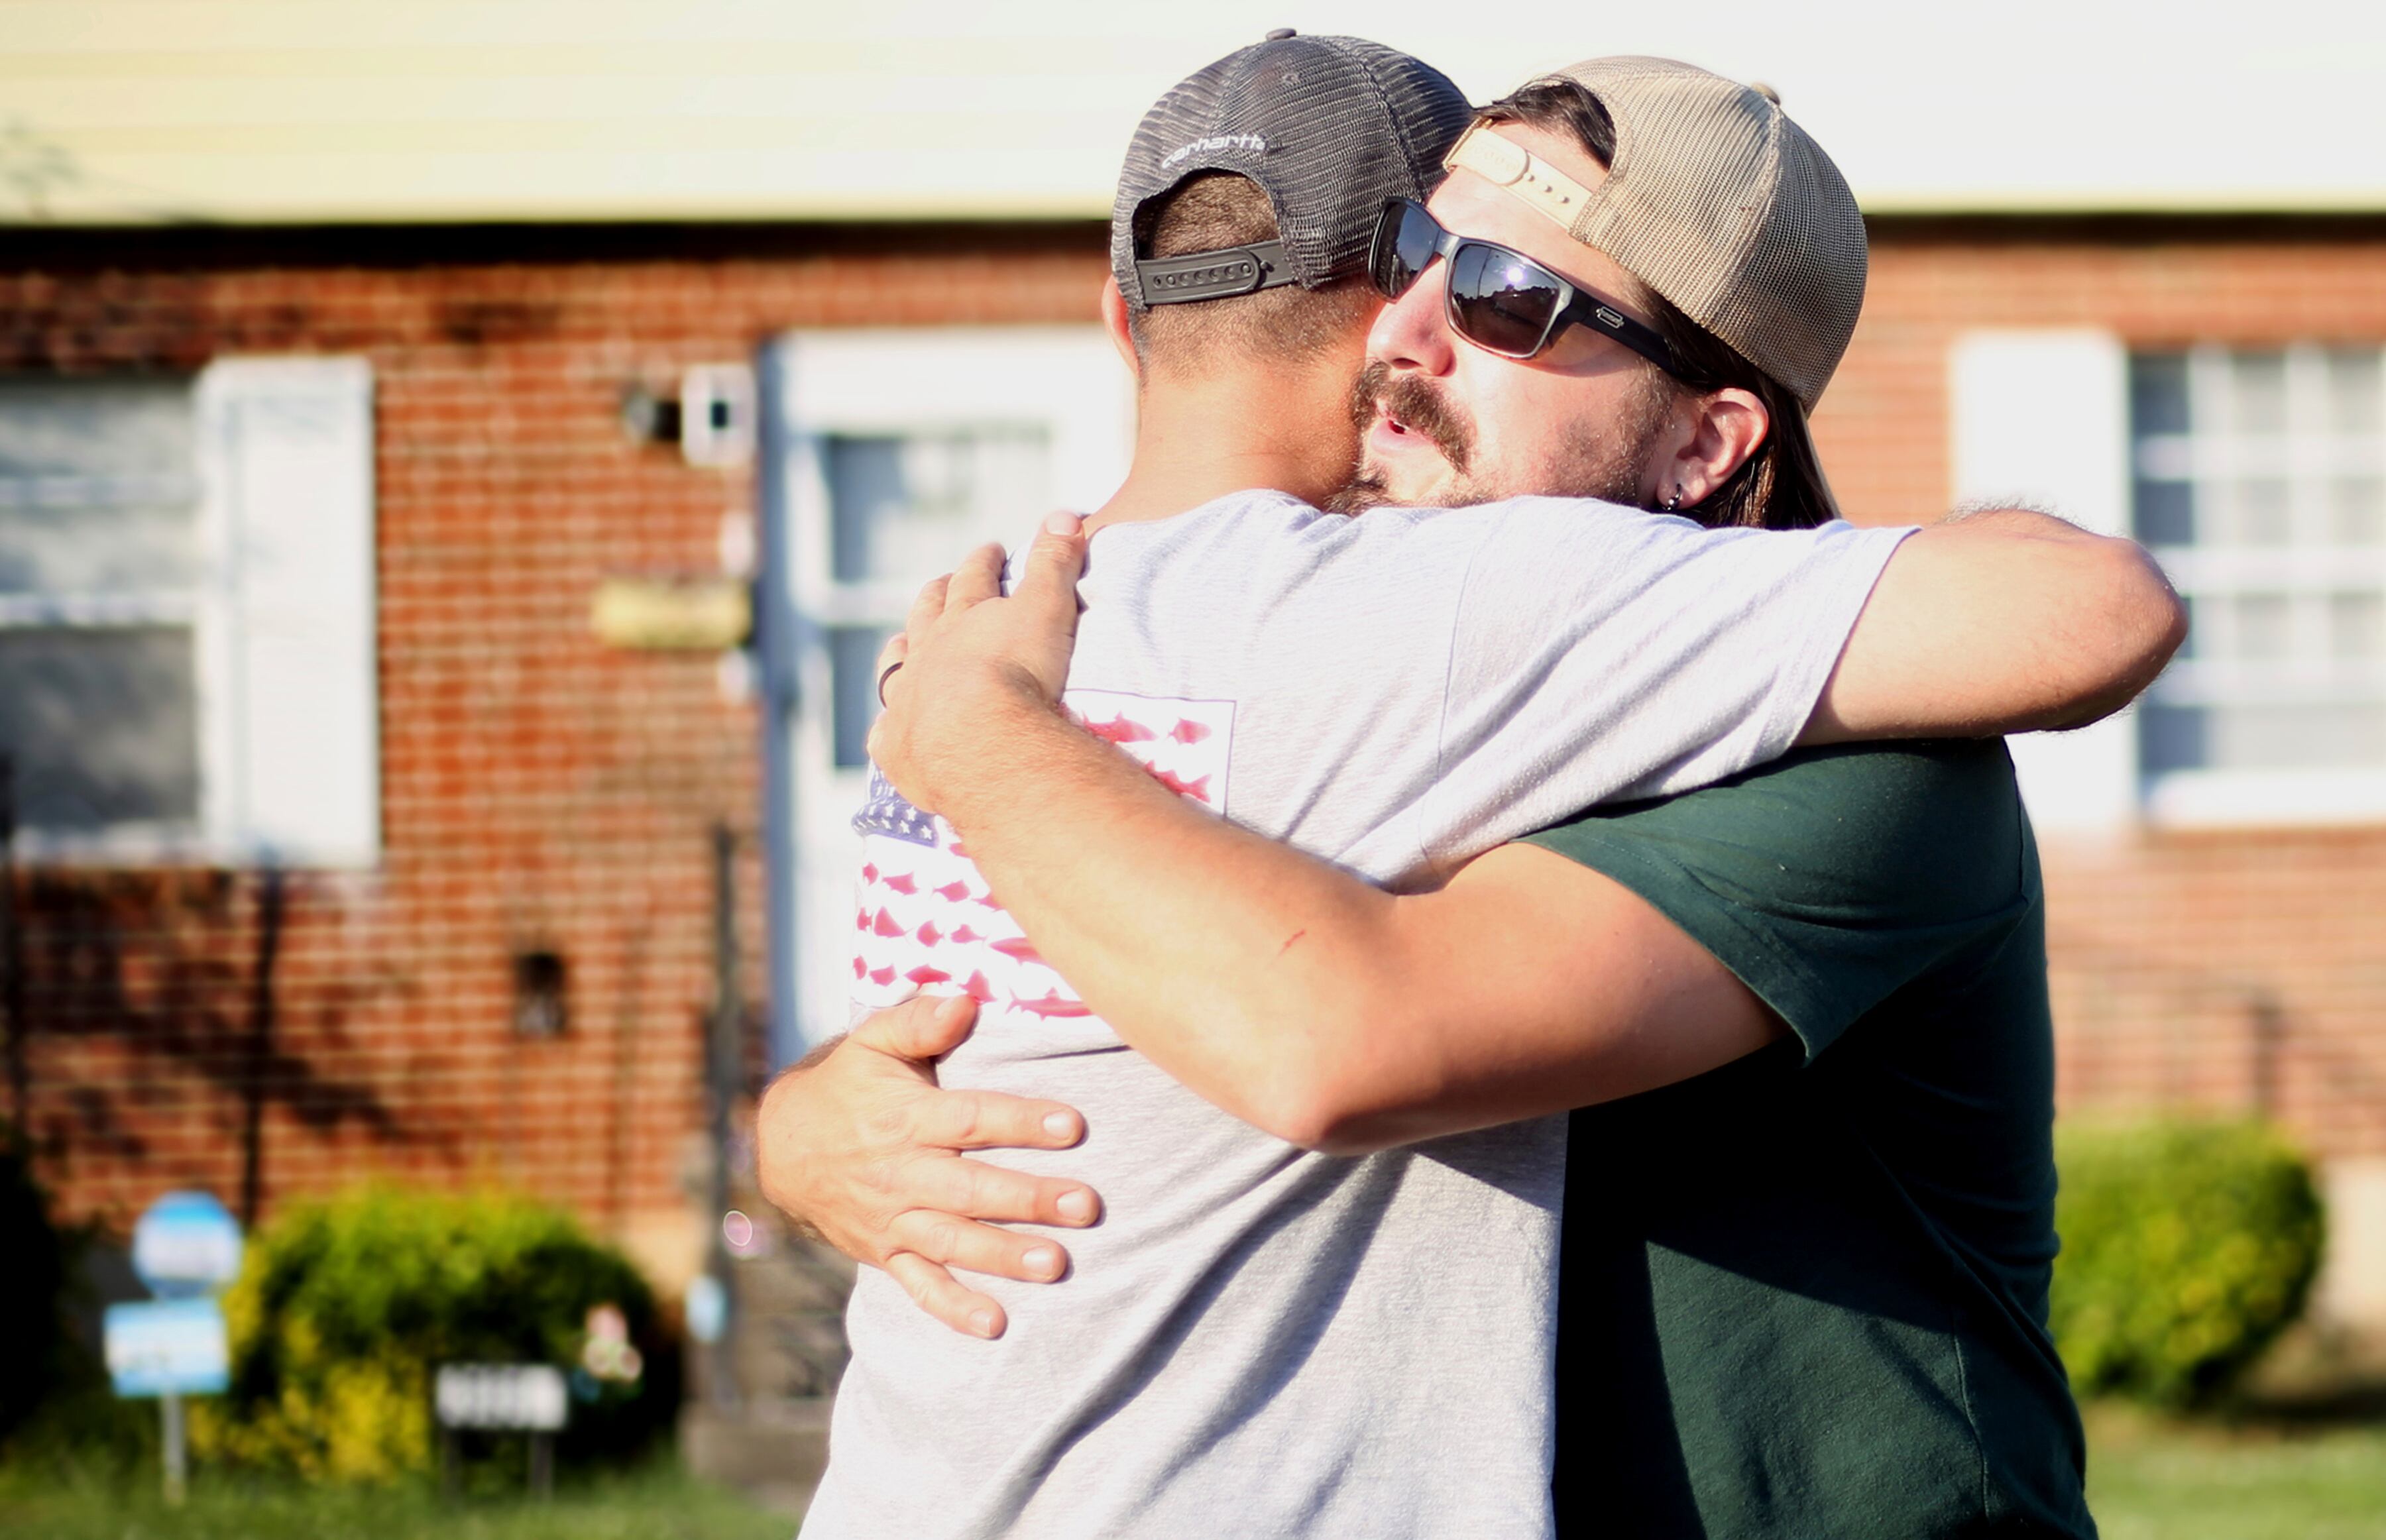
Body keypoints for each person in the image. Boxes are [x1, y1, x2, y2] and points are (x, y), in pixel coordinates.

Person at [773, 45, 2176, 1539]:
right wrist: (801, 1124)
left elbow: (1335, 1031)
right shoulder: (1385, 668)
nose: (1406, 331)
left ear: (1710, 441)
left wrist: (983, 737)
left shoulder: (1865, 772)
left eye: (1511, 300)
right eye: (1424, 260)